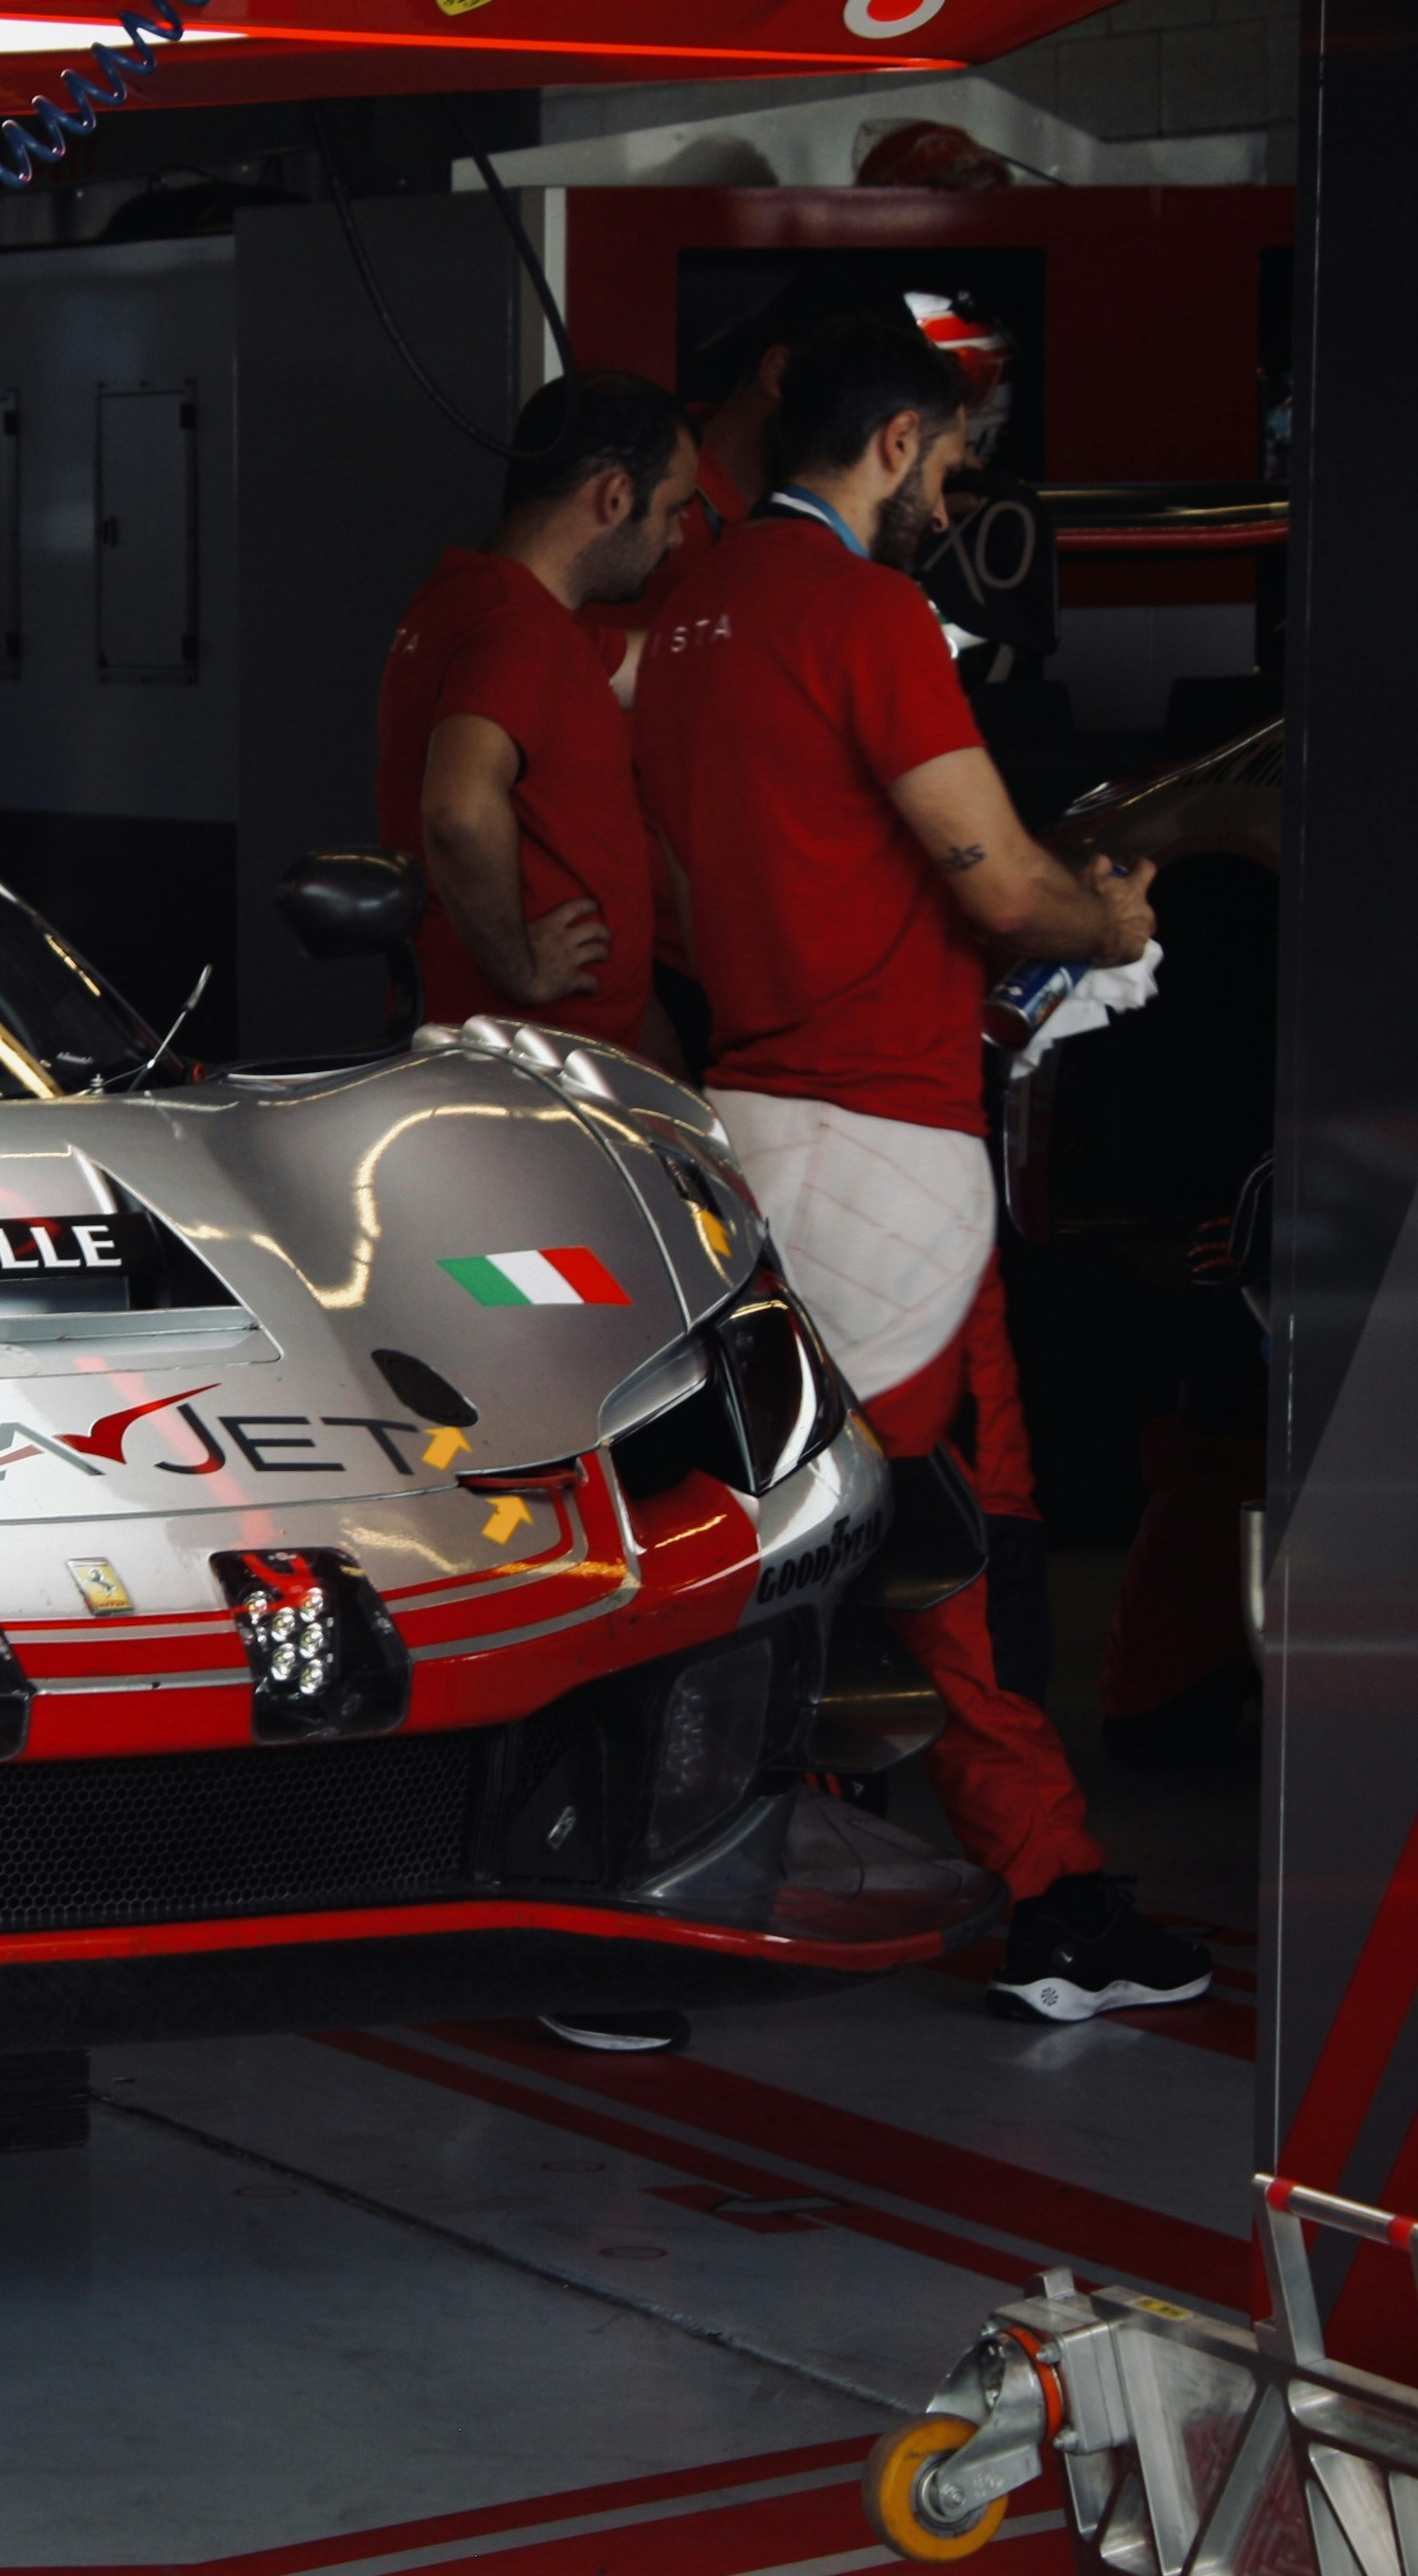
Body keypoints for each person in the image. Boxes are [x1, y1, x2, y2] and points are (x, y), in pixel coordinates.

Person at [631, 311, 1208, 2032]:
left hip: (750, 1121)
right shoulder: (864, 611)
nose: (946, 502)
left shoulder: (686, 616)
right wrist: (1109, 919)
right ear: (893, 441)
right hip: (883, 1148)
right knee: (923, 1547)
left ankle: (667, 1897)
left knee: (781, 1523)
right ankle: (1020, 1900)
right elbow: (1006, 886)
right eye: (945, 467)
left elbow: (685, 897)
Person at [373, 371, 703, 1067]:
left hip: (561, 1050)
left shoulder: (496, 608)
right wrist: (520, 967)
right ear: (616, 497)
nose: (677, 537)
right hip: (524, 1065)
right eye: (673, 509)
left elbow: (664, 668)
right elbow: (458, 810)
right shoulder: (516, 631)